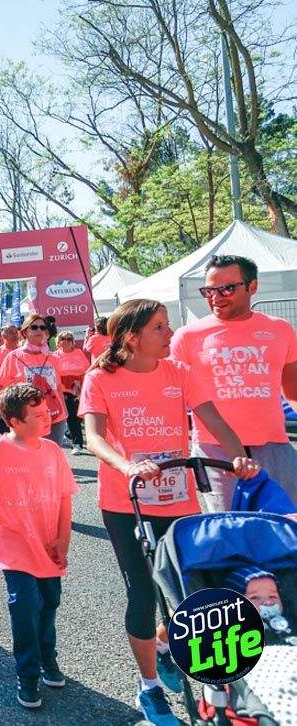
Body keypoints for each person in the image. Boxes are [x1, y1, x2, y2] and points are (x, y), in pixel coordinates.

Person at [78, 298, 258, 726]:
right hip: (127, 502)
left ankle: (166, 647)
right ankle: (149, 688)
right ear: (131, 336)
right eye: (160, 327)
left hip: (179, 500)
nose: (170, 332)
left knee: (193, 592)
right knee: (142, 595)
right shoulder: (100, 377)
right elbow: (93, 439)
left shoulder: (179, 372)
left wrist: (241, 459)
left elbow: (216, 421)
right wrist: (128, 466)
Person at [0, 383, 77, 710]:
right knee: (25, 605)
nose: (48, 418)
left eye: (47, 412)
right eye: (39, 415)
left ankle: (48, 659)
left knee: (49, 604)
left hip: (48, 546)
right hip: (14, 546)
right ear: (14, 421)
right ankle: (27, 675)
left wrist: (63, 539)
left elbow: (64, 499)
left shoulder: (53, 451)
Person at [170, 254, 297, 509]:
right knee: (230, 529)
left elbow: (293, 389)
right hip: (215, 449)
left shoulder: (280, 329)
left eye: (227, 288)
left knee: (288, 524)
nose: (216, 297)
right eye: (209, 290)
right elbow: (172, 397)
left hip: (273, 444)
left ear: (252, 286)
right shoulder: (187, 336)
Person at [0, 315, 68, 447]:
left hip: (54, 416)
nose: (39, 330)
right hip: (26, 418)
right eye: (34, 327)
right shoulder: (14, 357)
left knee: (52, 458)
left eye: (42, 327)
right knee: (30, 458)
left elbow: (58, 386)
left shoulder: (53, 358)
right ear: (25, 332)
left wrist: (64, 411)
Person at [54, 332, 90, 456]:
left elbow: (87, 369)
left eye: (70, 339)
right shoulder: (55, 356)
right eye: (63, 339)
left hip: (80, 387)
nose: (67, 341)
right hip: (65, 389)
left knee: (80, 416)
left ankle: (69, 433)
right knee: (73, 417)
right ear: (58, 342)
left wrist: (84, 386)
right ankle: (77, 444)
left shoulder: (79, 353)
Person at [0, 325, 22, 435]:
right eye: (11, 332)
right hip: (5, 394)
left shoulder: (23, 351)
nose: (15, 335)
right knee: (6, 428)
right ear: (4, 336)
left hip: (22, 394)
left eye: (16, 332)